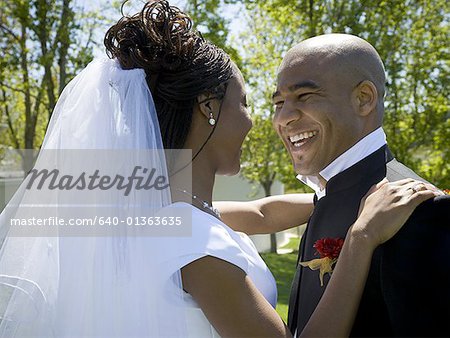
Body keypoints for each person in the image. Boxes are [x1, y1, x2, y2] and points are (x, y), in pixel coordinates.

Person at [0, 3, 441, 337]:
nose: (267, 120)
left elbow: (264, 213)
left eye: (301, 98)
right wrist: (361, 237)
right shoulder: (193, 240)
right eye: (250, 103)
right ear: (209, 109)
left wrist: (337, 194)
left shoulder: (157, 216)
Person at [266, 33, 450, 337]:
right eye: (278, 102)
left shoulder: (418, 210)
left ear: (364, 98)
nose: (283, 118)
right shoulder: (325, 196)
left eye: (304, 96)